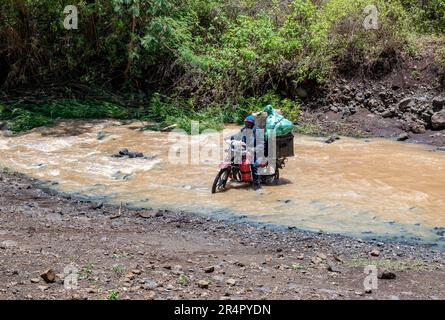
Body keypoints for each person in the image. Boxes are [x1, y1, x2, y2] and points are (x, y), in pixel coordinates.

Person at [230, 115, 265, 190]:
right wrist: (231, 139)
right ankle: (235, 176)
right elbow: (237, 136)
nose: (247, 124)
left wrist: (253, 149)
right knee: (233, 160)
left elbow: (262, 144)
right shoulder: (244, 129)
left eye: (248, 123)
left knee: (254, 165)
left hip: (257, 152)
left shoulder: (258, 131)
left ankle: (257, 184)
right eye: (245, 123)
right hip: (246, 149)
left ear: (252, 124)